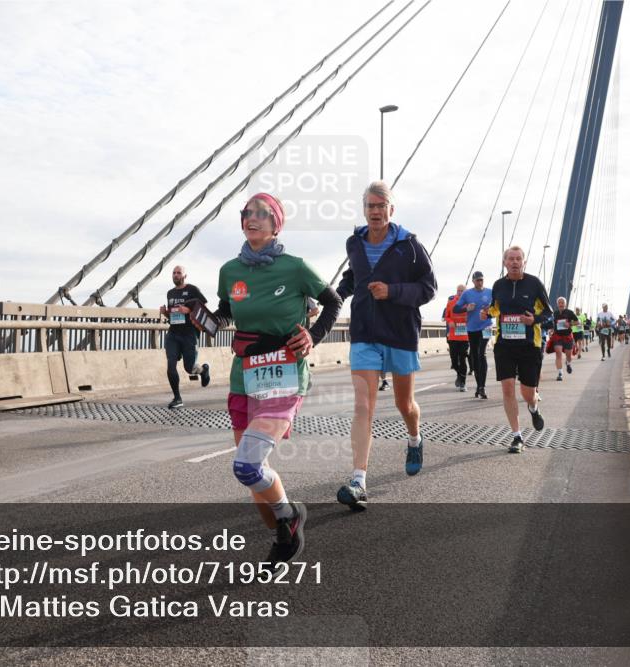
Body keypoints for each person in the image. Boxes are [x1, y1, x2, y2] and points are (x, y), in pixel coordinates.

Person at [213, 193, 342, 564]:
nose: (252, 218)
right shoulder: (230, 271)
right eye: (246, 213)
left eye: (261, 214)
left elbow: (333, 302)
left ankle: (289, 515)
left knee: (246, 465)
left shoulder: (295, 267)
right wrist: (207, 318)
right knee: (251, 472)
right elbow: (226, 310)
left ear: (275, 223)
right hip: (245, 377)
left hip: (285, 374)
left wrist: (313, 336)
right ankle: (283, 534)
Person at [336, 181, 437, 510]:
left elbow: (429, 287)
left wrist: (392, 292)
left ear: (391, 210)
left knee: (404, 404)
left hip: (400, 333)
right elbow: (353, 278)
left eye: (382, 206)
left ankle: (414, 438)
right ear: (364, 210)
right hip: (364, 331)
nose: (376, 211)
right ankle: (358, 480)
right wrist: (332, 298)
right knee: (363, 404)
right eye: (370, 206)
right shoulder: (355, 242)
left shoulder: (409, 246)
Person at [487, 246, 551, 453]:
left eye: (518, 259)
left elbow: (549, 314)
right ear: (504, 262)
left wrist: (534, 320)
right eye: (510, 259)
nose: (514, 262)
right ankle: (517, 436)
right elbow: (494, 307)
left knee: (528, 393)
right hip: (504, 345)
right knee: (507, 389)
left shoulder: (534, 284)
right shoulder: (498, 285)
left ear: (524, 262)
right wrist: (485, 313)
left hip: (529, 346)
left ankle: (533, 408)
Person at [159, 265, 210, 409]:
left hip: (189, 334)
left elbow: (203, 305)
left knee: (190, 368)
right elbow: (173, 314)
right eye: (174, 273)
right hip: (173, 333)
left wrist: (188, 310)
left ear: (184, 276)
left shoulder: (192, 290)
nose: (175, 275)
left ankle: (204, 370)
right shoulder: (170, 293)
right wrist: (165, 312)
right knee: (170, 365)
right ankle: (177, 398)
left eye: (178, 273)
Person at [454, 270, 494, 399]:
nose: (480, 282)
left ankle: (483, 387)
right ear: (473, 281)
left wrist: (490, 310)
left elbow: (497, 308)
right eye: (477, 280)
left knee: (481, 353)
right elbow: (455, 309)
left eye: (481, 279)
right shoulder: (467, 293)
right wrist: (466, 308)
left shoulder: (490, 292)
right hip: (472, 329)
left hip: (486, 327)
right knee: (475, 356)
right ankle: (479, 386)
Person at [444, 284, 470, 391]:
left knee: (462, 359)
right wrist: (450, 322)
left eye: (462, 291)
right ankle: (459, 375)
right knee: (454, 361)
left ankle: (463, 383)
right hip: (453, 336)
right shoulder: (451, 303)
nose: (460, 293)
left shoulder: (469, 303)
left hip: (465, 336)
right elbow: (447, 316)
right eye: (458, 291)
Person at [545, 297, 579, 381]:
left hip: (567, 336)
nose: (561, 304)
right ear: (557, 304)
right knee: (558, 353)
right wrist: (551, 330)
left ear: (565, 304)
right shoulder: (555, 313)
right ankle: (560, 373)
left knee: (568, 355)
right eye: (559, 303)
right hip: (558, 336)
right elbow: (553, 324)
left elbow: (578, 322)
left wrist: (570, 324)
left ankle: (568, 363)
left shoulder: (569, 312)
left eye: (562, 302)